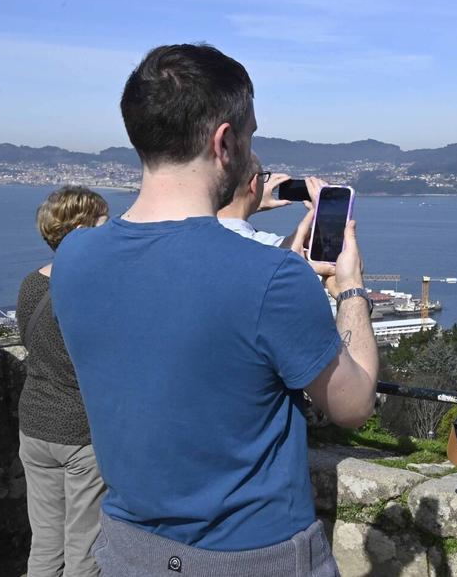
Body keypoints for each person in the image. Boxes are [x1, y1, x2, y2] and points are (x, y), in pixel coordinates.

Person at [50, 43, 378, 576]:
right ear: (225, 140)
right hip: (253, 555)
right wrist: (350, 287)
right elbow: (354, 403)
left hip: (128, 548)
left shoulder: (74, 258)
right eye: (250, 136)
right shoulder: (272, 276)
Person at [16, 186, 110, 577]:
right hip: (80, 429)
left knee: (45, 543)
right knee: (84, 546)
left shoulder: (31, 284)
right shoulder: (95, 290)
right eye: (105, 223)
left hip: (35, 422)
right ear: (83, 229)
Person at [216, 154, 326, 247]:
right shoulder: (262, 246)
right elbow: (325, 251)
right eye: (263, 177)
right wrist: (325, 213)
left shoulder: (202, 233)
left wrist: (253, 204)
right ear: (254, 184)